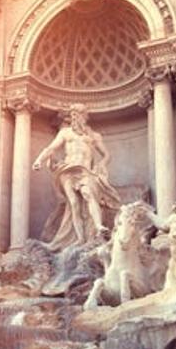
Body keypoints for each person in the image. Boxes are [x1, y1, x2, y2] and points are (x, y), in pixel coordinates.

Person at [32, 103, 121, 249]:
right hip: (68, 169)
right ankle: (80, 238)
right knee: (73, 203)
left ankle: (99, 227)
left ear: (85, 116)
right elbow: (52, 148)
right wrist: (39, 160)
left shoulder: (93, 135)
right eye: (74, 114)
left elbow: (106, 155)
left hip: (85, 170)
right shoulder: (65, 133)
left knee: (89, 194)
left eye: (79, 114)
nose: (76, 117)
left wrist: (102, 164)